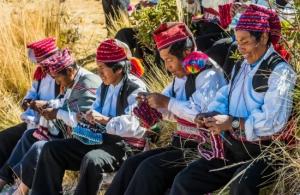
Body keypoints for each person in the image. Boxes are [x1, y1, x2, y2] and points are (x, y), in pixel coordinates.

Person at [169, 4, 296, 195]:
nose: (240, 48)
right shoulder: (242, 65)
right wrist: (212, 113)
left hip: (265, 152)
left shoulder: (280, 71)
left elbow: (274, 122)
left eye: (245, 41)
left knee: (241, 184)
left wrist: (232, 123)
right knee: (186, 180)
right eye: (237, 41)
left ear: (263, 37)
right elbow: (227, 94)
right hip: (234, 146)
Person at [105, 22, 227, 195]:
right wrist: (150, 105)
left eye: (169, 60)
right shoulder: (181, 75)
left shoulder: (208, 73)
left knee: (150, 169)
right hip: (182, 145)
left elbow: (200, 113)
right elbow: (170, 110)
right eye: (164, 61)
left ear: (186, 53)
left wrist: (166, 102)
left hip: (202, 150)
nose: (167, 66)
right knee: (132, 164)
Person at [30, 39, 148, 195]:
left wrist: (105, 120)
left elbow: (138, 126)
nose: (98, 73)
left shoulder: (135, 88)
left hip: (125, 147)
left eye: (102, 68)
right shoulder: (104, 87)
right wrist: (85, 117)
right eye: (97, 67)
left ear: (118, 68)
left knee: (92, 160)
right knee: (52, 149)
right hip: (101, 140)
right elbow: (95, 111)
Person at [0, 49, 101, 195]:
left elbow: (84, 120)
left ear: (70, 71)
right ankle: (5, 180)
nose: (57, 82)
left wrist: (56, 113)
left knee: (41, 147)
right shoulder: (72, 81)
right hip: (68, 133)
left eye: (58, 78)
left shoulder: (87, 83)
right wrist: (47, 105)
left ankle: (21, 190)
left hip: (86, 140)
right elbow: (64, 102)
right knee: (30, 136)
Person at [0, 37, 60, 190]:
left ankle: (6, 180)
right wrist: (28, 103)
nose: (41, 67)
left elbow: (62, 103)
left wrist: (43, 105)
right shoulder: (40, 75)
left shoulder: (61, 74)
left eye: (43, 63)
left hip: (52, 126)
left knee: (26, 140)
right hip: (33, 120)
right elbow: (30, 95)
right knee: (4, 138)